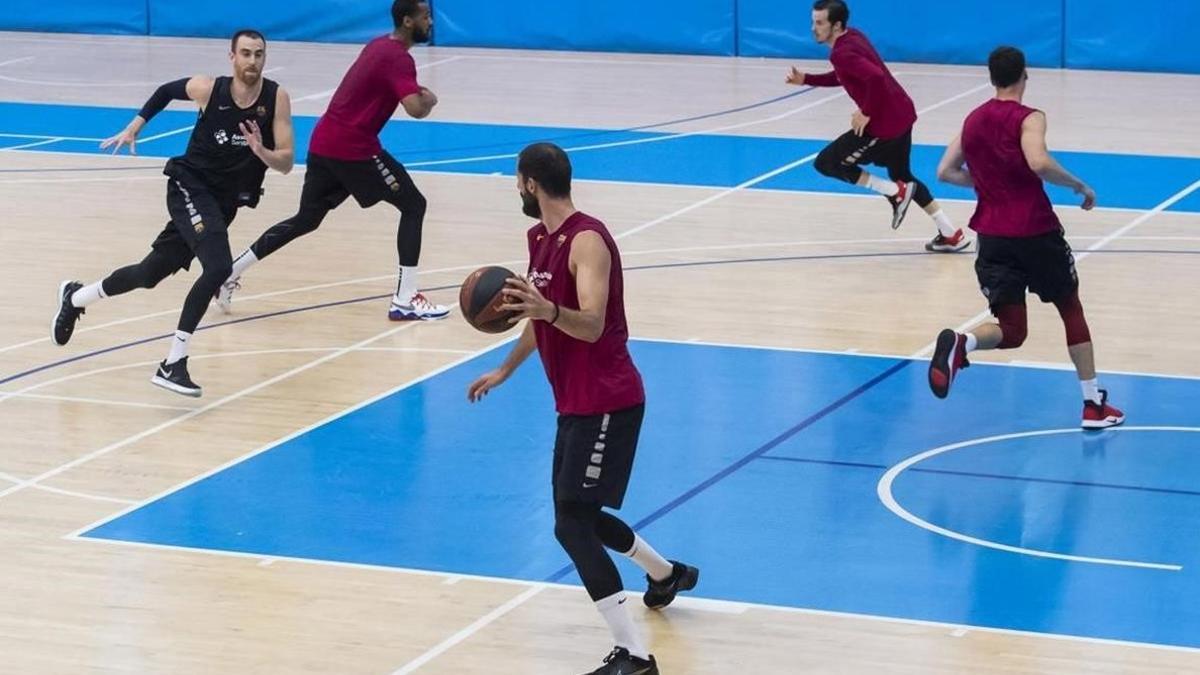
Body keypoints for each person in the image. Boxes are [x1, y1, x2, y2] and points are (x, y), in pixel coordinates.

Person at [467, 143, 699, 674]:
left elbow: (590, 323)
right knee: (581, 517)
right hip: (575, 402)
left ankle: (635, 656)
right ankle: (666, 575)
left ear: (528, 183)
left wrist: (547, 308)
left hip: (609, 401)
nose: (517, 190)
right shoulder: (538, 239)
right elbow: (538, 316)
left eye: (516, 182)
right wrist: (504, 369)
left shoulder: (588, 239)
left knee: (570, 526)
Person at [51, 29, 294, 397]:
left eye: (259, 54)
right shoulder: (209, 89)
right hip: (189, 185)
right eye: (245, 53)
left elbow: (287, 162)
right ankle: (173, 362)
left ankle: (75, 297)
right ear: (232, 56)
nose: (252, 61)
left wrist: (263, 152)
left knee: (148, 274)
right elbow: (165, 91)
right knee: (218, 266)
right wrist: (135, 126)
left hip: (222, 205)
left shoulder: (277, 98)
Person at [214, 0, 448, 321]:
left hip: (325, 141)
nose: (431, 22)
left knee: (306, 219)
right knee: (413, 205)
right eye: (425, 16)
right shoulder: (398, 58)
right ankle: (405, 299)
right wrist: (430, 98)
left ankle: (229, 273)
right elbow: (416, 108)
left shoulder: (380, 46)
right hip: (353, 148)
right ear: (408, 21)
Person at [929, 46, 1124, 429]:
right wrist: (1079, 185)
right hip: (1035, 230)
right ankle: (1092, 404)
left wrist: (985, 184)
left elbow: (945, 172)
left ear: (991, 76)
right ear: (1024, 76)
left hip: (991, 236)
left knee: (1013, 331)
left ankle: (962, 342)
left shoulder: (973, 120)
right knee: (1070, 307)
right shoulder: (1029, 118)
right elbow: (1038, 162)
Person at [786, 0, 968, 252]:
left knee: (826, 163)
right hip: (902, 114)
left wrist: (866, 111)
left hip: (884, 125)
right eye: (813, 22)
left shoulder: (841, 52)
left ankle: (893, 192)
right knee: (905, 177)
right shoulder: (853, 37)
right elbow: (845, 75)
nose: (813, 28)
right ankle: (950, 233)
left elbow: (874, 77)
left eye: (819, 23)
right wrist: (806, 79)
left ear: (836, 25)